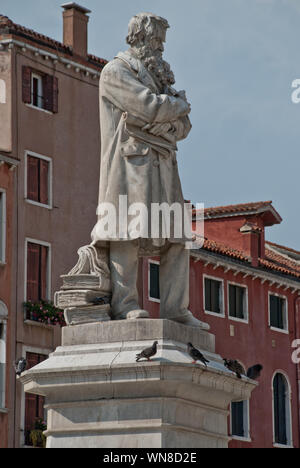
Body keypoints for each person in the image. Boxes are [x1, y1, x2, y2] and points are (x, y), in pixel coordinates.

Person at [91, 13, 205, 327]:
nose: (161, 47)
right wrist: (175, 105)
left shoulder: (158, 78)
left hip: (164, 165)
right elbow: (150, 107)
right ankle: (125, 305)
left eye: (162, 41)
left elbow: (183, 126)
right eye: (157, 40)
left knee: (178, 238)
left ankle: (175, 310)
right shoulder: (115, 72)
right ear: (140, 38)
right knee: (126, 232)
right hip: (129, 167)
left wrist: (163, 120)